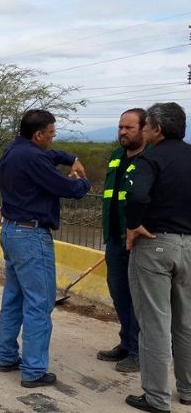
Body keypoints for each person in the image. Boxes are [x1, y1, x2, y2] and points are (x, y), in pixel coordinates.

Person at [0, 109, 90, 388]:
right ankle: (34, 369)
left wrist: (69, 157)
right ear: (38, 135)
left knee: (13, 298)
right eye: (51, 134)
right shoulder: (34, 157)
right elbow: (69, 189)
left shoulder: (15, 149)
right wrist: (81, 179)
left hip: (12, 231)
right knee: (39, 303)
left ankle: (6, 356)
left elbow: (52, 155)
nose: (53, 138)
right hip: (31, 236)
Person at [124, 102, 191, 413]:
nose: (145, 129)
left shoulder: (151, 158)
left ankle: (156, 398)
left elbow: (137, 195)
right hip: (189, 247)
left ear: (158, 130)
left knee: (154, 324)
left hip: (155, 245)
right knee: (185, 322)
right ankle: (188, 390)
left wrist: (133, 225)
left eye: (147, 124)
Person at [97, 108, 148, 373]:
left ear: (144, 129)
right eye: (120, 127)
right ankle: (126, 343)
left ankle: (139, 351)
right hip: (115, 239)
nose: (123, 132)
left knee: (139, 298)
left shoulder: (150, 159)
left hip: (139, 242)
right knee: (119, 293)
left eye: (129, 127)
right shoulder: (116, 156)